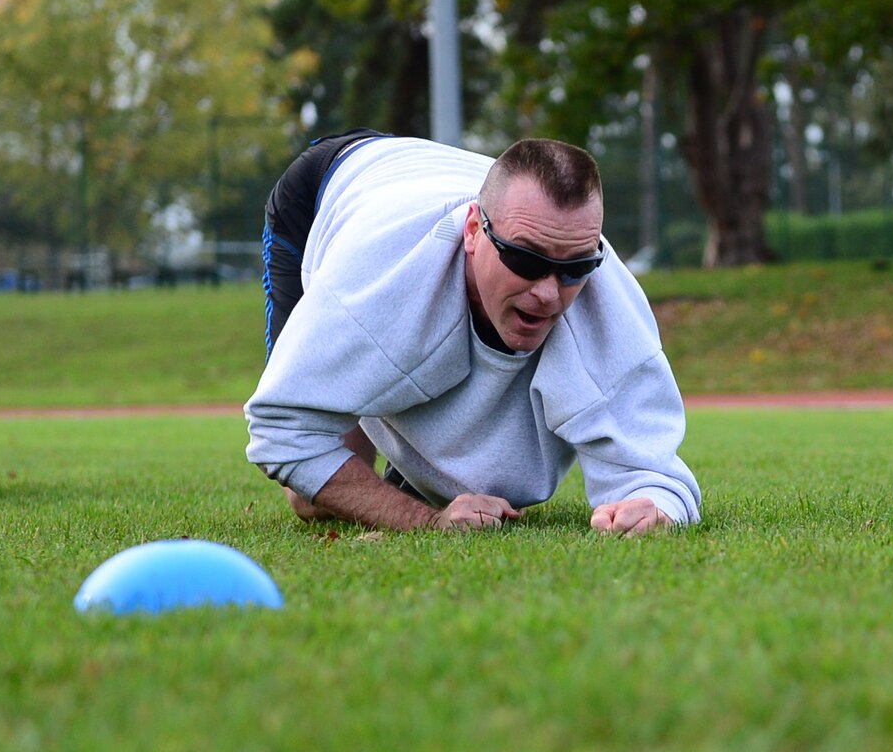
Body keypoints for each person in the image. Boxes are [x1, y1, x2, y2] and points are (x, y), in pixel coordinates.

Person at [245, 132, 701, 535]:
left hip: (441, 189)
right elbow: (283, 433)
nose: (548, 293)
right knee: (312, 500)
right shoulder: (374, 289)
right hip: (332, 188)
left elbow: (655, 473)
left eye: (574, 269)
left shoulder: (602, 289)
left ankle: (417, 470)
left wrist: (653, 507)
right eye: (526, 260)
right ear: (472, 232)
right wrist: (426, 520)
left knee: (480, 485)